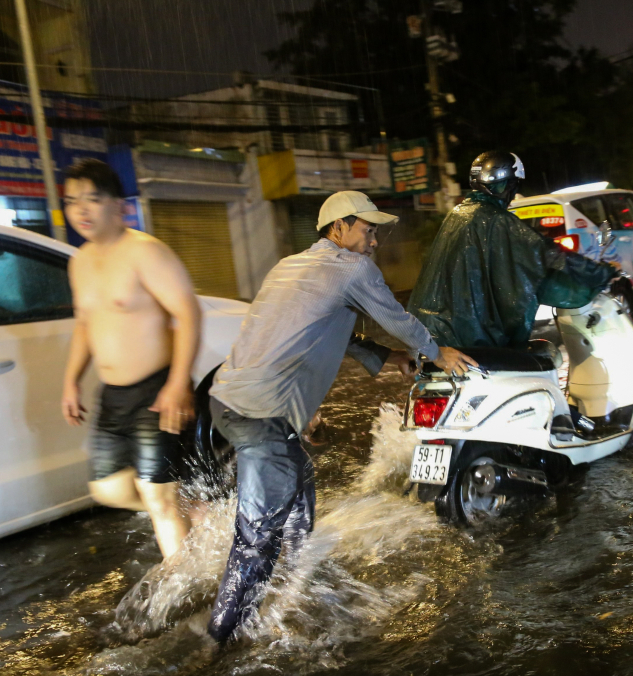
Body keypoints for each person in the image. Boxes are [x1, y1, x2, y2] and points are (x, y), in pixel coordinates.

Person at [206, 190, 475, 643]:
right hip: (262, 415)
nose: (373, 242)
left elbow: (323, 330)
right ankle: (219, 640)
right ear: (339, 228)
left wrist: (386, 359)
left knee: (299, 483)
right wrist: (435, 351)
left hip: (228, 402)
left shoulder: (290, 266)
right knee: (256, 539)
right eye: (368, 231)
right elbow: (398, 318)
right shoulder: (352, 268)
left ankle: (294, 584)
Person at [60, 158, 201, 560]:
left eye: (92, 199)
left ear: (118, 205)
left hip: (155, 391)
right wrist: (71, 380)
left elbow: (187, 313)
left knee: (158, 499)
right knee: (109, 490)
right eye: (72, 201)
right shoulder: (79, 261)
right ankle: (194, 509)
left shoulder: (146, 252)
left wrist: (178, 383)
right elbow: (85, 324)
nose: (81, 210)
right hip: (113, 395)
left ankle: (189, 596)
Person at [407, 151, 617, 348]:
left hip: (432, 335)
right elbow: (546, 256)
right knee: (543, 353)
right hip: (468, 337)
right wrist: (600, 274)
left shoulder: (459, 214)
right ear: (509, 185)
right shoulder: (498, 221)